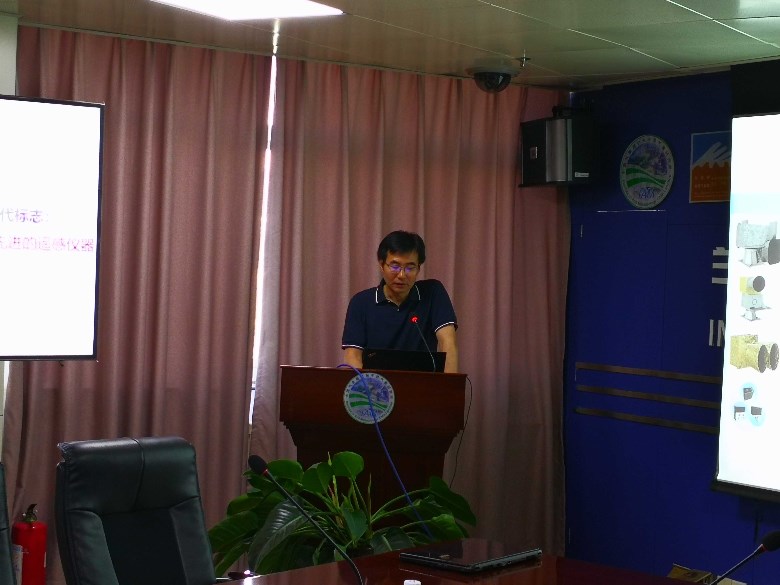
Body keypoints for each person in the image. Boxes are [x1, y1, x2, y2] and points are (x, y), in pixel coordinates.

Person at [341, 230, 459, 373]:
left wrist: (449, 385)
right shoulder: (361, 303)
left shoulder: (433, 293)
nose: (402, 275)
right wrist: (365, 386)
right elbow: (352, 355)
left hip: (423, 383)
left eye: (410, 268)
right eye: (395, 266)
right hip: (375, 385)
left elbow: (448, 343)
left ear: (418, 268)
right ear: (382, 265)